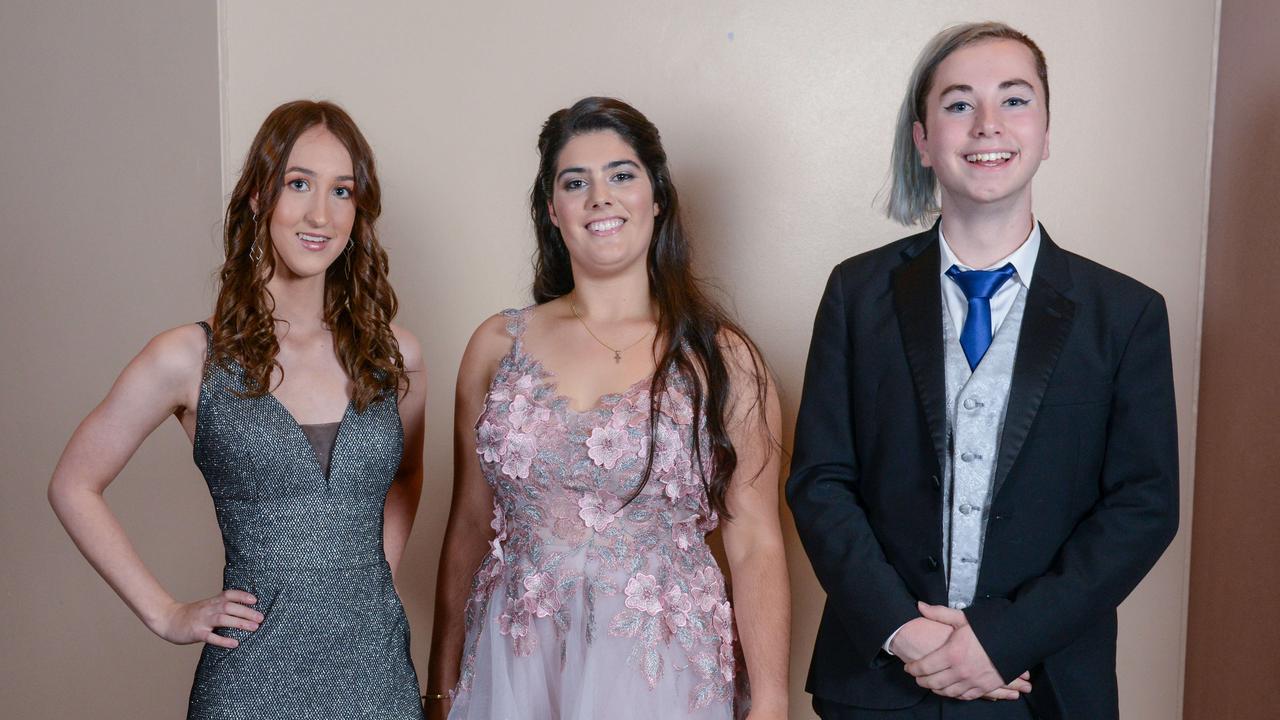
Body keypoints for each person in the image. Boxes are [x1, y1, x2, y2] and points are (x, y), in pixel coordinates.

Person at [787, 22, 1179, 720]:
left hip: (1043, 686)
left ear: (1048, 131)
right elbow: (821, 483)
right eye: (959, 103)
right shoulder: (856, 292)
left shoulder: (1125, 313)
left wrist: (1004, 639)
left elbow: (1143, 507)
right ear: (923, 138)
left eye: (1016, 99)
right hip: (878, 685)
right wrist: (904, 633)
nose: (988, 124)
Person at [48, 100, 427, 719]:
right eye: (297, 184)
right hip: (252, 679)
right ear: (258, 197)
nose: (319, 214)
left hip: (376, 673)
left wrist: (367, 574)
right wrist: (167, 613)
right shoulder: (187, 357)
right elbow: (73, 483)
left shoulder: (395, 355)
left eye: (342, 191)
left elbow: (407, 474)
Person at [425, 97, 791, 720]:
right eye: (576, 182)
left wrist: (773, 703)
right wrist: (441, 679)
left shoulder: (722, 358)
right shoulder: (496, 346)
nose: (600, 197)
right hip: (516, 665)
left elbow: (755, 538)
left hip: (662, 667)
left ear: (657, 198)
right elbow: (467, 525)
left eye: (622, 174)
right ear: (552, 210)